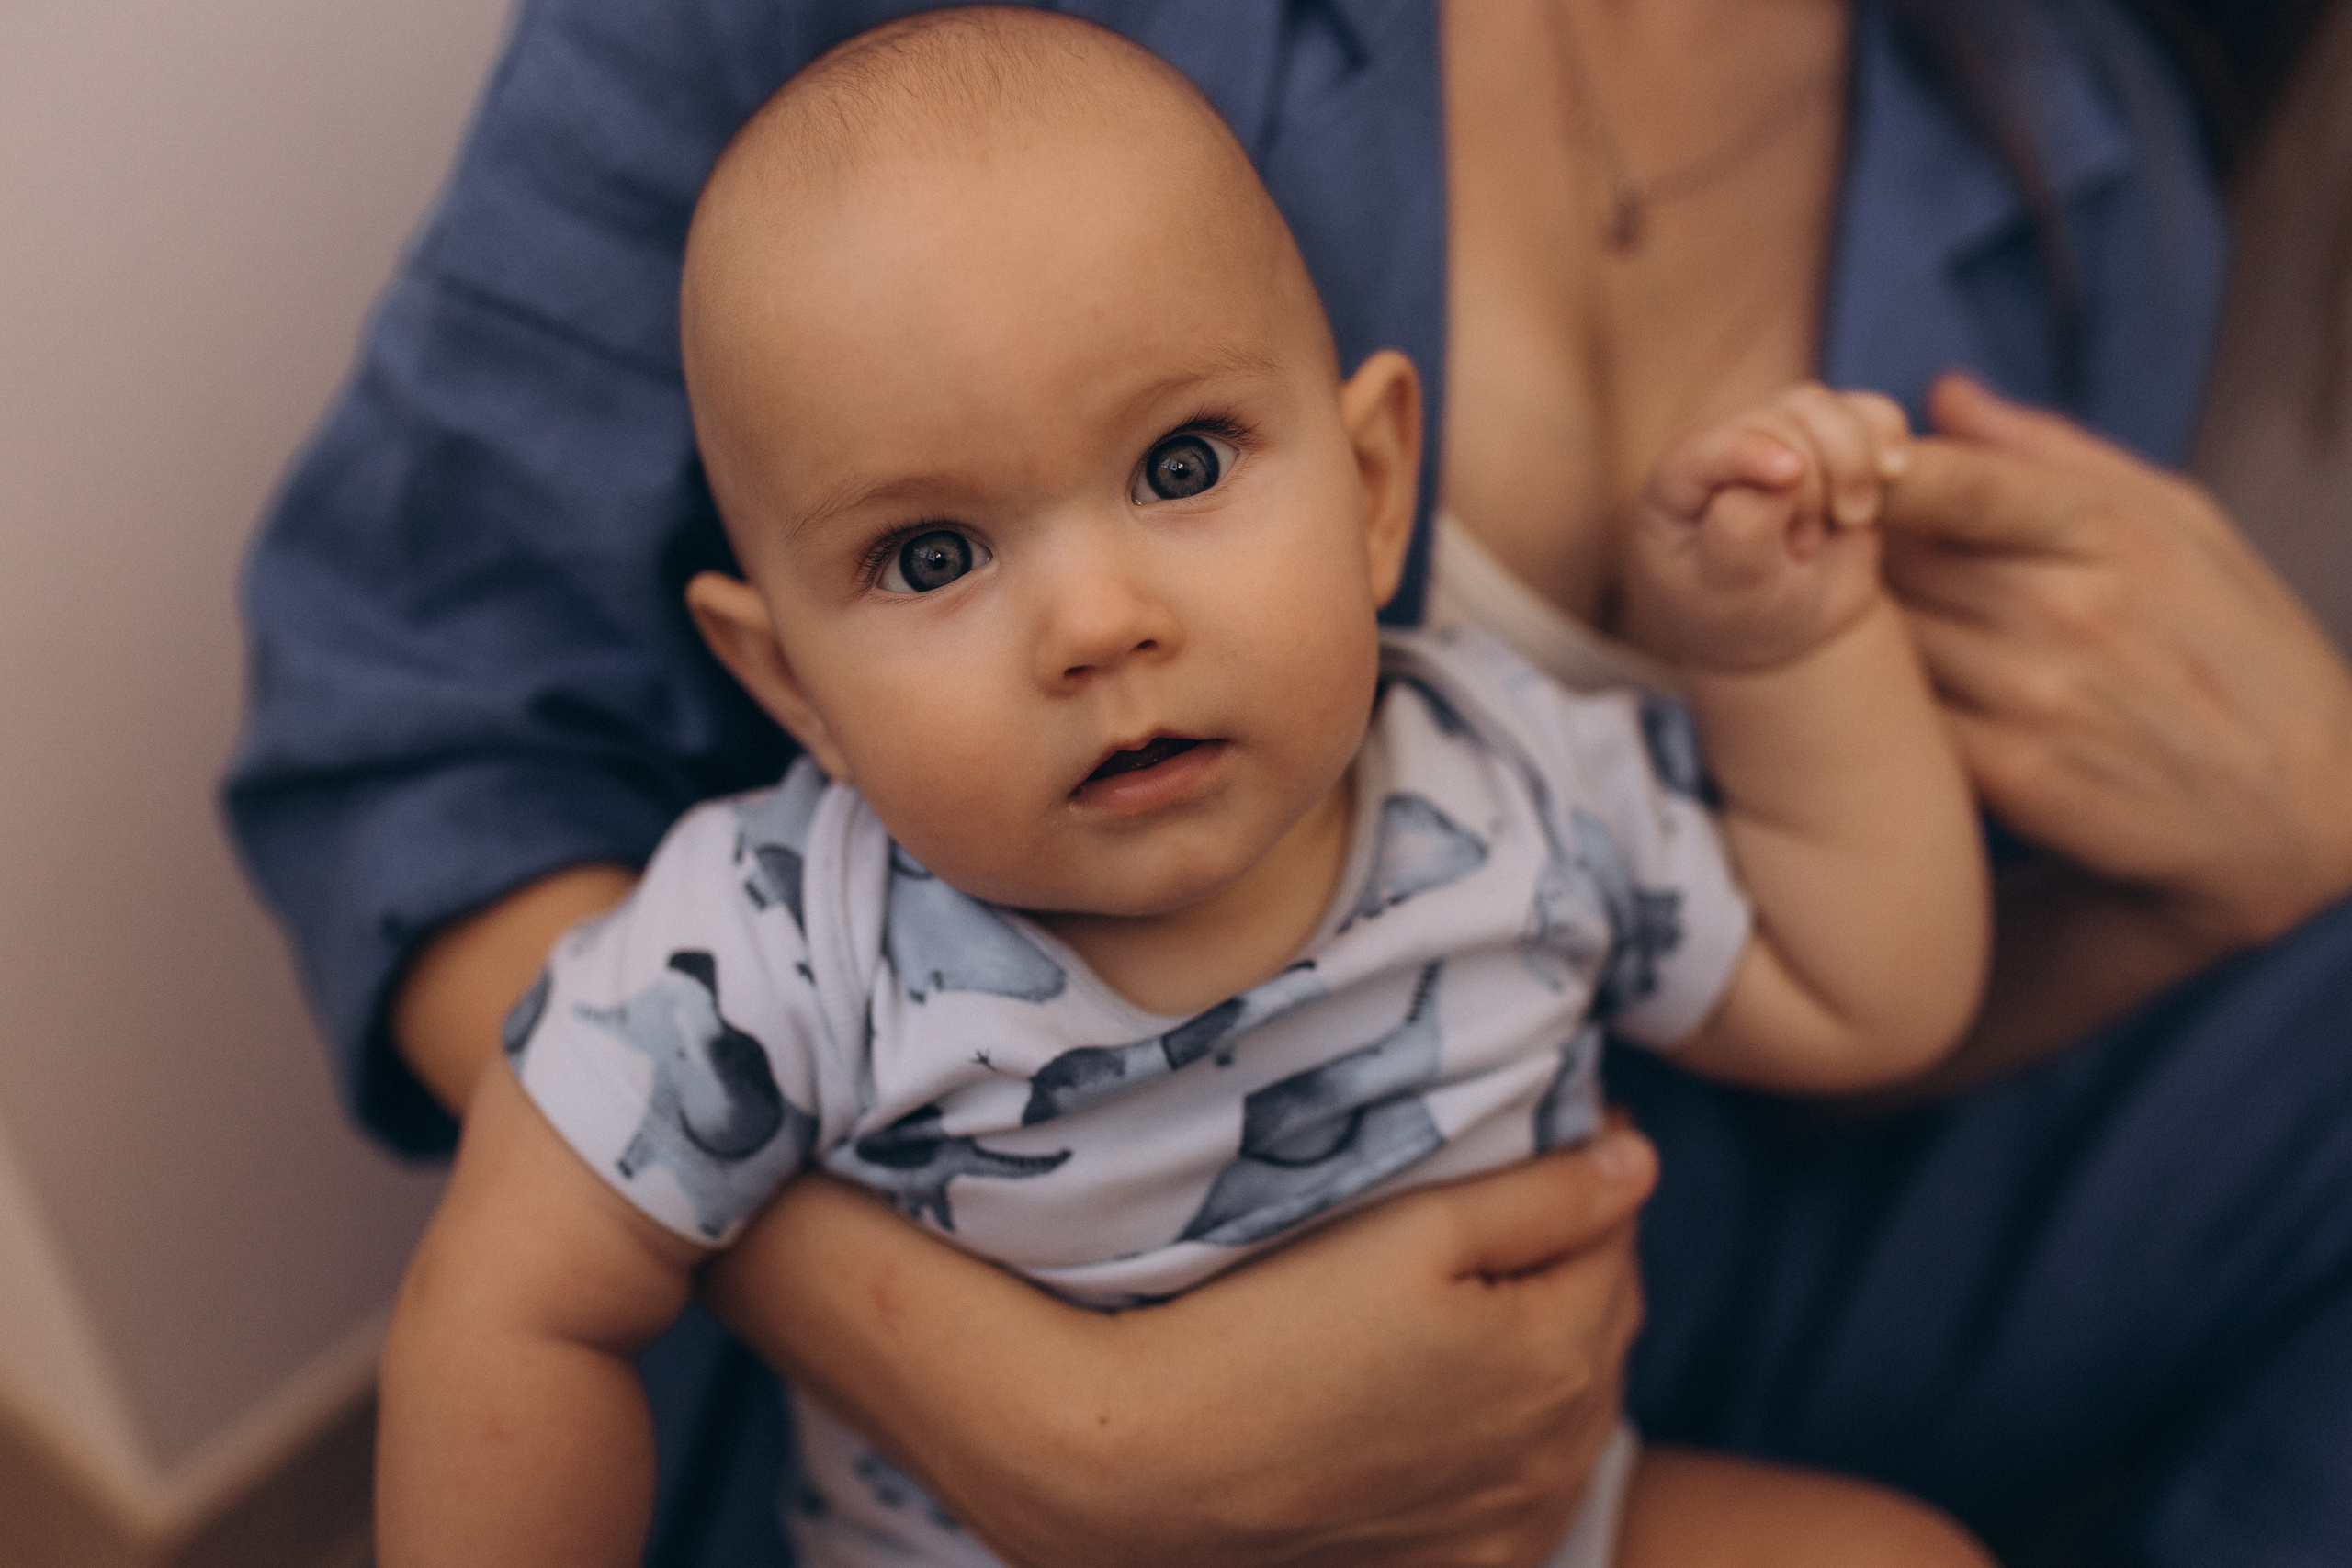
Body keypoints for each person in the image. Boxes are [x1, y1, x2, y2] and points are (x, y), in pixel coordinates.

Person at [226, 1, 2352, 1563]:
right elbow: (511, 1293)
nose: (1093, 622)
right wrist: (1052, 1417)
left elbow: (1856, 984)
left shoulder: (1509, 770)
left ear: (1370, 479)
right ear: (784, 677)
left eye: (1179, 468)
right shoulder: (776, 930)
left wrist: (1800, 652)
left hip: (1567, 1443)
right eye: (933, 557)